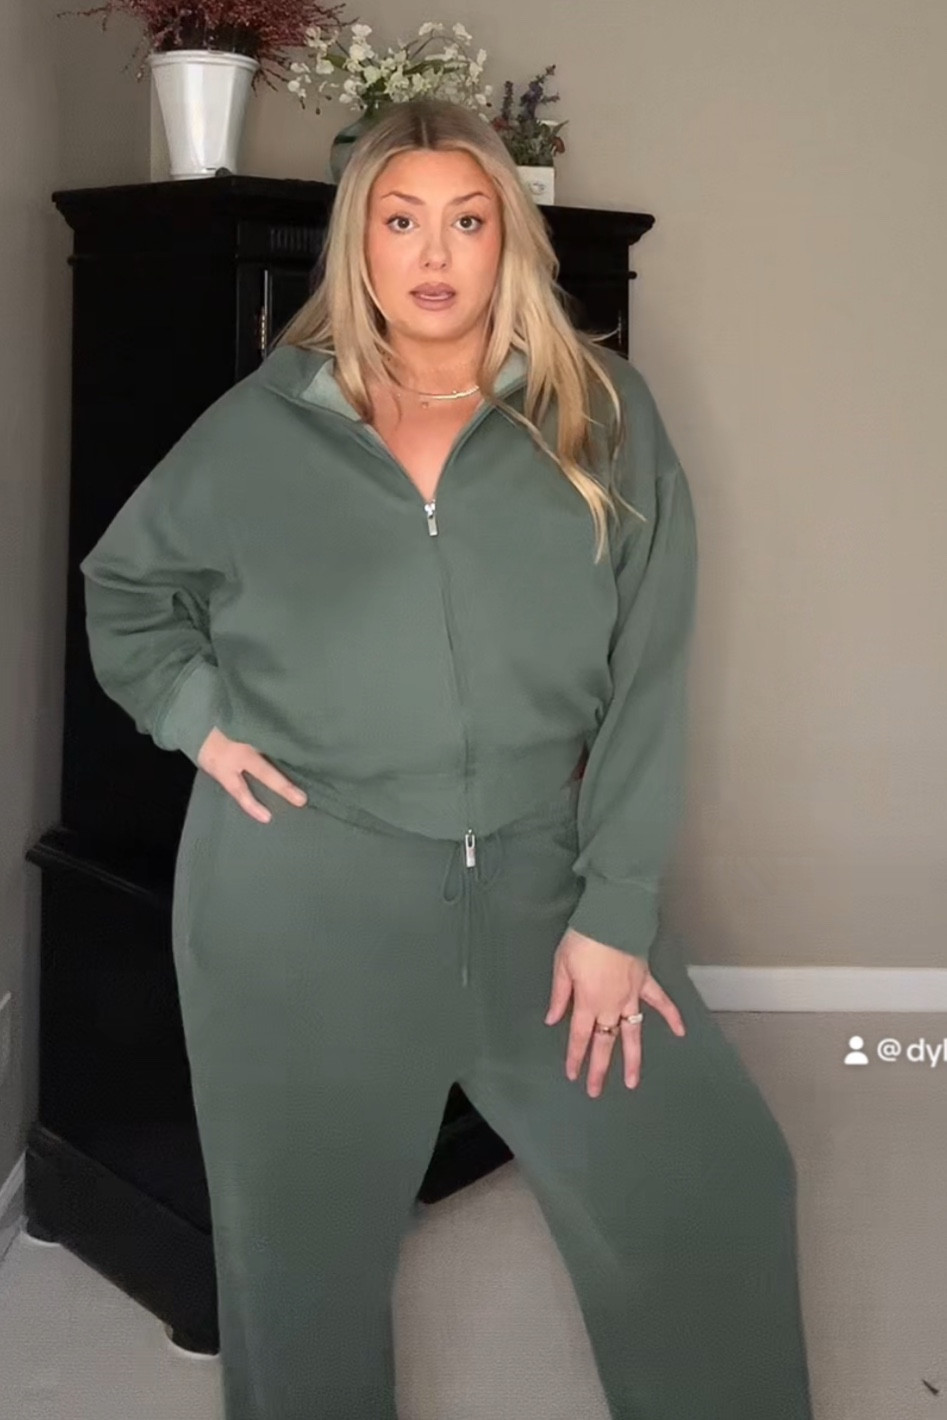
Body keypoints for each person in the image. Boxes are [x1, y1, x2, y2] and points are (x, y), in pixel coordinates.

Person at [79, 97, 814, 1420]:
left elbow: (648, 676)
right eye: (401, 220)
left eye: (469, 221)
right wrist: (200, 718)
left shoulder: (601, 414)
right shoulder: (261, 429)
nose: (434, 254)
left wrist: (617, 911)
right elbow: (126, 591)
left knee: (713, 1189)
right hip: (304, 904)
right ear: (358, 246)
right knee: (297, 1273)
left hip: (545, 881)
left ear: (507, 239)